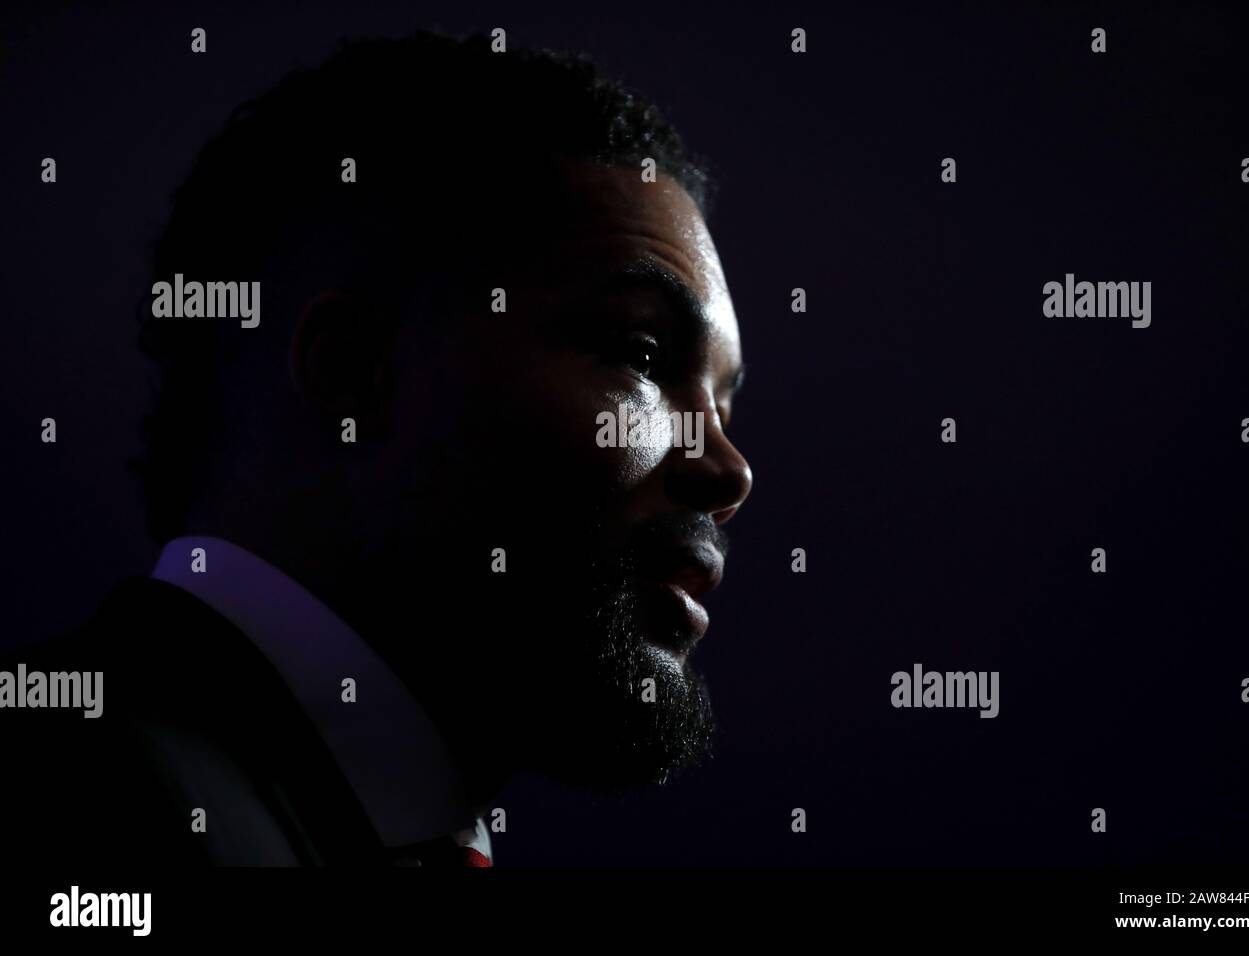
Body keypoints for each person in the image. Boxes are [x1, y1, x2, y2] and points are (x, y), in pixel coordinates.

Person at [0, 31, 751, 867]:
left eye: (724, 402)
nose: (727, 470)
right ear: (355, 371)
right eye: (640, 356)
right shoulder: (61, 799)